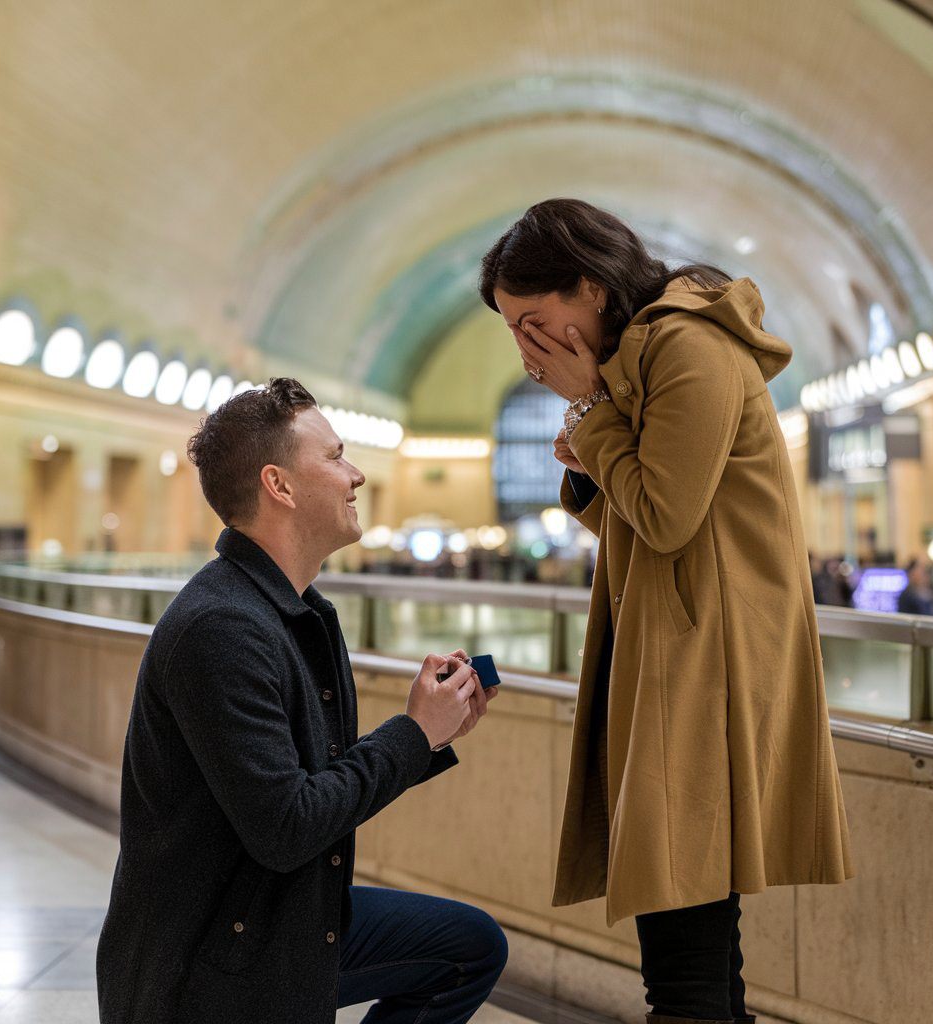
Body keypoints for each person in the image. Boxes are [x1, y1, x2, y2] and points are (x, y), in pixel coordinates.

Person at [479, 199, 853, 1024]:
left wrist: (589, 411)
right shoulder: (643, 357)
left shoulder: (688, 344)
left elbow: (667, 517)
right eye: (513, 331)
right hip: (679, 656)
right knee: (700, 954)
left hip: (706, 670)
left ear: (590, 287)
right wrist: (595, 435)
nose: (528, 348)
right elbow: (644, 524)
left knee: (681, 964)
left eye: (535, 321)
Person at [96, 378, 507, 1024]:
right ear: (278, 486)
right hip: (207, 965)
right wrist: (413, 735)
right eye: (336, 456)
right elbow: (288, 828)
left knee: (469, 946)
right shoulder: (221, 629)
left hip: (276, 916)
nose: (357, 475)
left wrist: (429, 729)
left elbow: (311, 793)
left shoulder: (297, 613)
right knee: (466, 948)